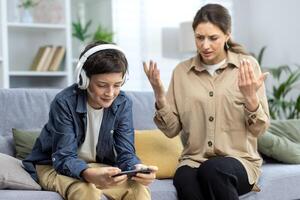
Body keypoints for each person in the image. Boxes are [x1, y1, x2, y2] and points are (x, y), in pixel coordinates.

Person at [143, 3, 270, 200]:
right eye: (199, 38)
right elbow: (171, 130)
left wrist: (251, 98)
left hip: (239, 161)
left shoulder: (246, 66)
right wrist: (160, 95)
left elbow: (259, 130)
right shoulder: (181, 72)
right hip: (193, 160)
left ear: (227, 35)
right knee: (184, 177)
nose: (205, 45)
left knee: (213, 169)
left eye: (213, 38)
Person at [23, 41, 158, 200]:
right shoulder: (64, 102)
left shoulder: (123, 103)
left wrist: (136, 168)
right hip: (54, 166)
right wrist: (87, 173)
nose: (110, 93)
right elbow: (64, 157)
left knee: (138, 190)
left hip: (97, 166)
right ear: (84, 79)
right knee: (86, 190)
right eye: (102, 85)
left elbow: (126, 152)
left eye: (117, 85)